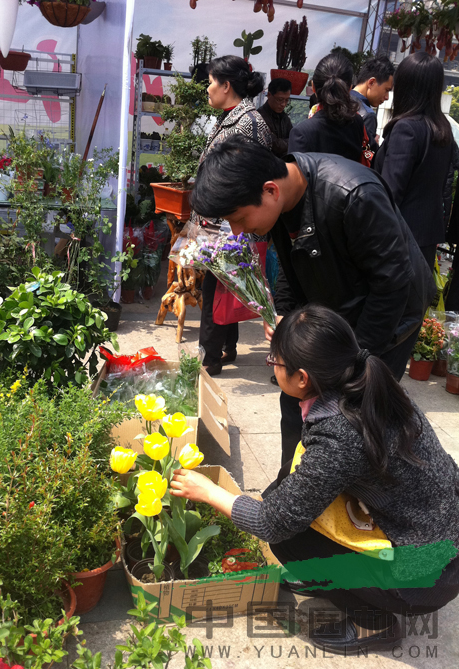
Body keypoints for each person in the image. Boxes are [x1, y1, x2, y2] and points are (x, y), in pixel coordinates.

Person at [170, 304, 459, 655]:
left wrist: (208, 491)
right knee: (287, 496)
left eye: (274, 361)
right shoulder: (371, 388)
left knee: (290, 540)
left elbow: (271, 522)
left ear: (303, 378)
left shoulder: (341, 434)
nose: (273, 367)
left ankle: (375, 624)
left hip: (426, 575)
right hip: (436, 532)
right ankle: (345, 581)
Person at [190, 136, 436, 465]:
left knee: (353, 411)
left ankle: (346, 499)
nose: (236, 232)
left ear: (270, 191)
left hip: (386, 317)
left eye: (239, 218)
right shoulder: (282, 200)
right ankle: (290, 480)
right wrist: (286, 320)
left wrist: (354, 360)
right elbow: (293, 268)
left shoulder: (354, 194)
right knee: (294, 393)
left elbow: (391, 285)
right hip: (335, 305)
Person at [198, 55, 272, 377]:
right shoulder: (233, 117)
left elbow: (245, 181)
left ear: (226, 86)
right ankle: (227, 348)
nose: (208, 89)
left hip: (232, 224)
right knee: (229, 285)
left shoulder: (249, 123)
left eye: (211, 82)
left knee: (217, 289)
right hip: (224, 222)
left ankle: (209, 358)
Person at [374, 52, 453, 272]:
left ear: (406, 85)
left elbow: (391, 191)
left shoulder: (406, 128)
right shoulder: (442, 129)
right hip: (426, 238)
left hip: (399, 239)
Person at [288, 53, 364, 162]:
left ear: (313, 87)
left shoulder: (301, 133)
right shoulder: (357, 123)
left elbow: (295, 177)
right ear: (349, 89)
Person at [351, 55, 394, 151]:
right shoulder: (368, 115)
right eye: (386, 90)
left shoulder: (338, 101)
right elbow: (364, 158)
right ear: (371, 83)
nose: (387, 97)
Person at [258, 77, 293, 158]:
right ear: (269, 95)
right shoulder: (260, 117)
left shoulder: (284, 118)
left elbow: (294, 139)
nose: (283, 104)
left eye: (287, 100)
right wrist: (289, 142)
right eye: (280, 99)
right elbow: (276, 146)